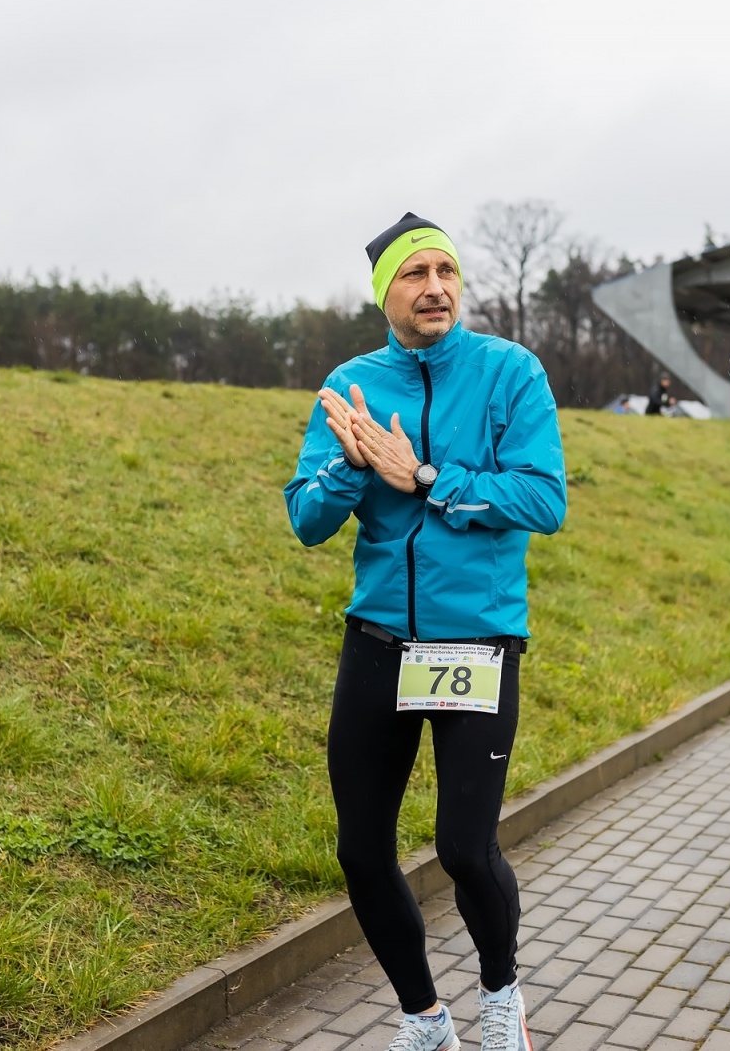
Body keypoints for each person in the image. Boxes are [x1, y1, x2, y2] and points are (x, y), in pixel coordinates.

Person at [285, 212, 562, 1051]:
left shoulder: (509, 371)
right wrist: (351, 465)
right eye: (415, 274)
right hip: (376, 645)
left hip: (472, 645)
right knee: (362, 854)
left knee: (465, 851)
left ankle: (501, 996)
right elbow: (305, 518)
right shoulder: (351, 384)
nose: (435, 286)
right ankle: (424, 1019)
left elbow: (543, 500)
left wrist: (429, 478)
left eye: (446, 270)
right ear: (386, 294)